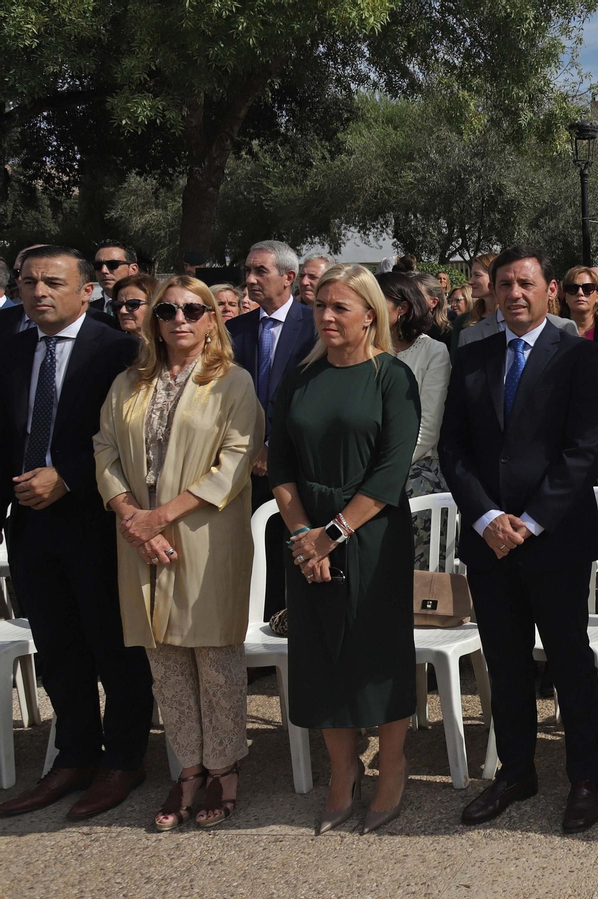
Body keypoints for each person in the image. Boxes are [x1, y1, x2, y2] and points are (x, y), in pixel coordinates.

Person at [439, 245, 598, 833]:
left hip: (555, 538)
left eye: (525, 284)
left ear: (550, 290)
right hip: (489, 541)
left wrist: (531, 520)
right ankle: (515, 772)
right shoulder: (472, 354)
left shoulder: (578, 355)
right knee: (505, 662)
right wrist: (487, 517)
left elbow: (586, 447)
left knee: (569, 661)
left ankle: (584, 777)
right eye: (505, 284)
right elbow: (453, 447)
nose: (513, 293)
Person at [93, 276, 265, 830]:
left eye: (194, 309)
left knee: (214, 657)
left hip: (205, 533)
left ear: (213, 318)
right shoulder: (128, 382)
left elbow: (236, 462)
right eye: (167, 310)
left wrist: (159, 517)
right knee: (163, 658)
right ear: (154, 320)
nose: (180, 319)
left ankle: (224, 766)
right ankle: (188, 767)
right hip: (138, 536)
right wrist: (132, 517)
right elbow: (103, 450)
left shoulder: (232, 381)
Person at [0, 246, 154, 820]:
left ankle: (125, 758)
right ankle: (75, 755)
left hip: (97, 520)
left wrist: (67, 475)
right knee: (58, 647)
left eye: (53, 282)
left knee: (113, 645)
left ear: (87, 291)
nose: (39, 291)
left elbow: (129, 438)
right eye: (29, 281)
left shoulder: (119, 351)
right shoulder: (11, 347)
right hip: (29, 523)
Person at [268, 263, 421, 835]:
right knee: (320, 653)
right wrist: (303, 538)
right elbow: (280, 464)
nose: (327, 317)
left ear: (369, 315)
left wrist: (330, 535)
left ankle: (392, 766)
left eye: (340, 307)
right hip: (306, 535)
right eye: (321, 306)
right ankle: (342, 770)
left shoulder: (392, 377)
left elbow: (390, 471)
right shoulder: (299, 376)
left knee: (377, 652)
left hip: (371, 533)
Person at [227, 240, 316, 622]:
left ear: (288, 277)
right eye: (247, 271)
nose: (250, 279)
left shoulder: (313, 326)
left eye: (260, 271)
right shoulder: (233, 330)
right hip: (240, 465)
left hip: (295, 466)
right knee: (249, 558)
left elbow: (310, 398)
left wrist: (271, 446)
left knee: (287, 555)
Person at [378, 272, 452, 567]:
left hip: (416, 466)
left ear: (403, 308)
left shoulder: (434, 352)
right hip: (365, 466)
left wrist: (384, 470)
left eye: (375, 300)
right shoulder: (361, 349)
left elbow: (428, 428)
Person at [560, 265, 598, 341]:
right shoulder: (554, 329)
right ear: (565, 296)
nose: (580, 293)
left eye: (588, 288)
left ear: (597, 296)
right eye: (573, 289)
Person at [91, 241, 142, 311]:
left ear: (133, 269)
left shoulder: (150, 309)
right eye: (98, 265)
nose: (103, 270)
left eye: (112, 264)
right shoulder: (85, 312)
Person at [110, 273, 159, 337]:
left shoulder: (170, 342)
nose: (122, 311)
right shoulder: (110, 341)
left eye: (132, 304)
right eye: (118, 305)